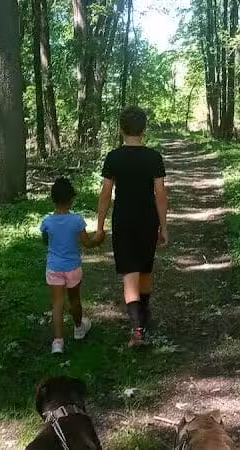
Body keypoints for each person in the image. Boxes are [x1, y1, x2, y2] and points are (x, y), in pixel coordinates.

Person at [97, 106, 169, 348]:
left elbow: (106, 193)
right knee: (145, 269)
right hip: (148, 220)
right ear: (144, 129)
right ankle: (144, 315)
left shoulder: (113, 157)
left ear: (121, 129)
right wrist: (164, 227)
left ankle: (137, 329)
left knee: (130, 272)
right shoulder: (154, 157)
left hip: (123, 220)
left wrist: (100, 225)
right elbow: (160, 194)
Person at [41, 177, 105, 354]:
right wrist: (98, 240)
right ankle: (78, 328)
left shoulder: (47, 222)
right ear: (71, 199)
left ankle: (58, 342)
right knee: (75, 299)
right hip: (72, 267)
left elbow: (45, 240)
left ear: (53, 199)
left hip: (54, 267)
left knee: (57, 304)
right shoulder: (77, 220)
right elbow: (87, 243)